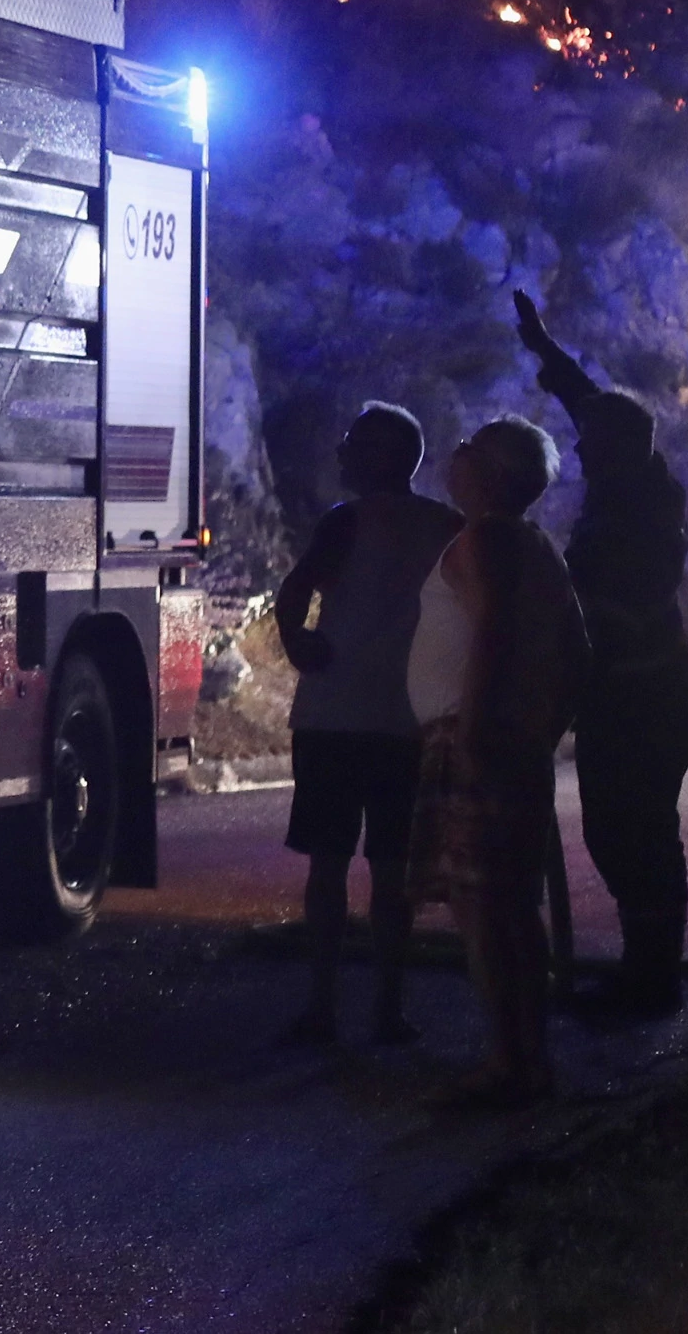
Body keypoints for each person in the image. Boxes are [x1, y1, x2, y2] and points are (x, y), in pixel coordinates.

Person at [514, 289, 688, 1017]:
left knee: (640, 830)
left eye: (593, 444)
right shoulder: (622, 478)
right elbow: (589, 404)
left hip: (644, 692)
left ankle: (655, 979)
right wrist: (545, 348)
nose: (580, 450)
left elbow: (623, 606)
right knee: (613, 829)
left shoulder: (647, 508)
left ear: (624, 449)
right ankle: (643, 967)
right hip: (618, 692)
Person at [407, 416, 593, 1107]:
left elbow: (491, 631)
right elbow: (578, 651)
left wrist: (478, 728)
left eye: (468, 447)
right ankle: (527, 1057)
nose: (453, 455)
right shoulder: (534, 544)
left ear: (489, 473)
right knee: (512, 906)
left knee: (485, 907)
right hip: (511, 740)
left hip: (474, 738)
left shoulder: (485, 540)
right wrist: (542, 727)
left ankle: (508, 1062)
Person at [269, 402, 462, 1046]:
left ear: (380, 455)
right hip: (409, 718)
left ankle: (322, 1006)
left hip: (334, 715)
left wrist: (298, 643)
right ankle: (387, 1008)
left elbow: (295, 592)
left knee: (328, 866)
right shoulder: (447, 526)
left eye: (354, 443)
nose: (343, 452)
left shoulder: (344, 523)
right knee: (393, 869)